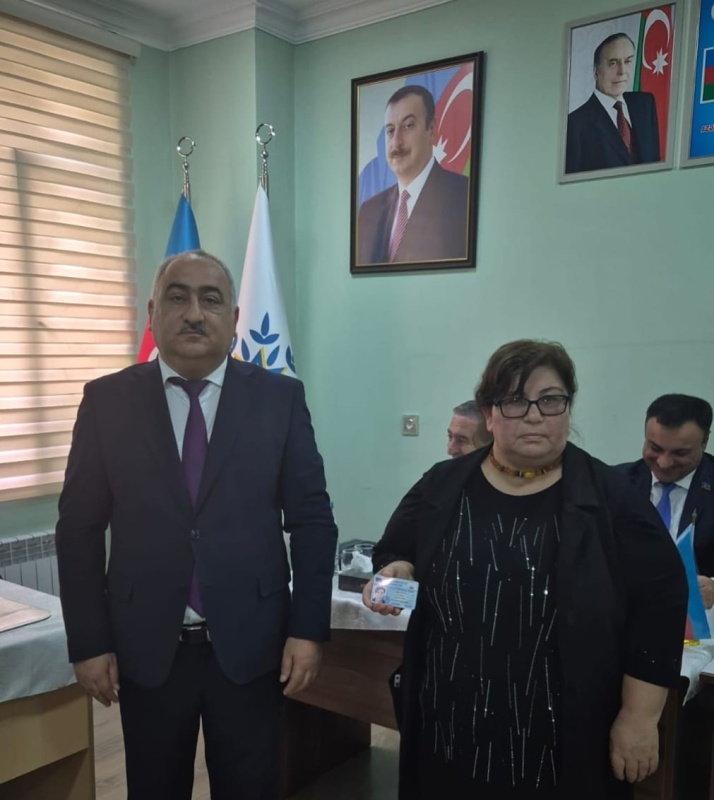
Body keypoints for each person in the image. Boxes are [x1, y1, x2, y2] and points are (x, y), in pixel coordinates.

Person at [55, 249, 337, 800]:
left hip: (253, 646)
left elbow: (312, 521)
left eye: (211, 299)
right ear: (152, 313)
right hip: (147, 649)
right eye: (177, 297)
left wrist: (308, 630)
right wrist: (87, 641)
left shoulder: (279, 399)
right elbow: (78, 530)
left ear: (234, 318)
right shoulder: (107, 401)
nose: (193, 313)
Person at [363, 339, 686, 800]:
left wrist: (639, 718)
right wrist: (396, 569)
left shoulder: (612, 498)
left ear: (568, 408)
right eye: (515, 400)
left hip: (565, 739)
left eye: (550, 400)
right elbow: (395, 550)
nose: (535, 415)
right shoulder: (443, 484)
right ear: (489, 412)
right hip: (448, 727)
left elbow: (661, 603)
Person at [619, 394, 714, 609]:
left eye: (680, 453)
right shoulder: (615, 483)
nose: (664, 463)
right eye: (655, 448)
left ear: (705, 441)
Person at [356, 85, 469, 265]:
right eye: (390, 131)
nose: (396, 143)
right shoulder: (369, 211)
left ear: (431, 129)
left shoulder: (464, 195)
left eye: (408, 126)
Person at [565, 32, 660, 174]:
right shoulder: (575, 123)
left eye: (627, 61)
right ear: (596, 71)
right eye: (613, 63)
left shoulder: (645, 104)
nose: (622, 71)